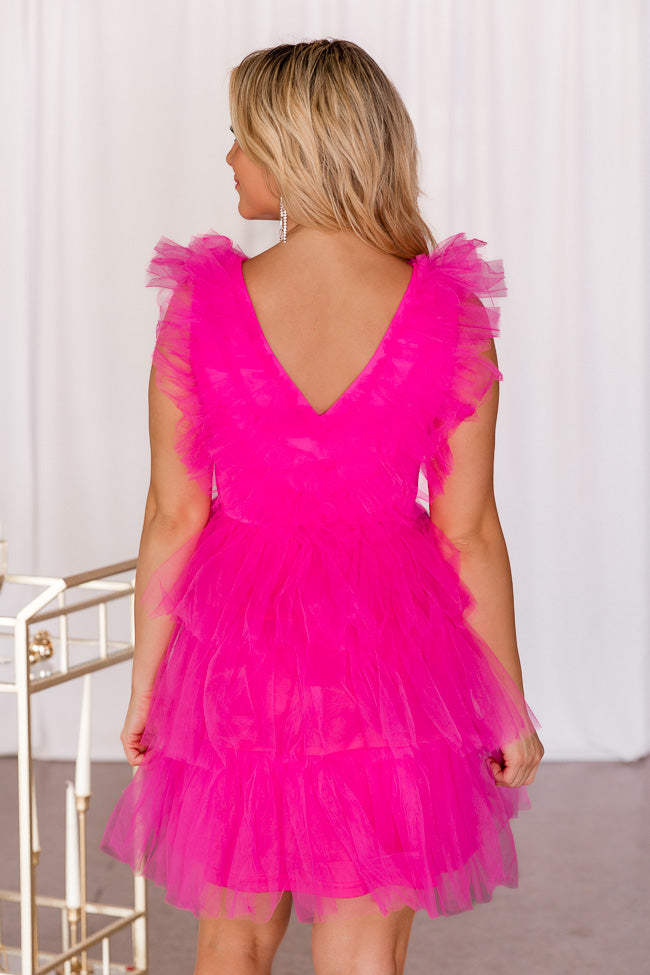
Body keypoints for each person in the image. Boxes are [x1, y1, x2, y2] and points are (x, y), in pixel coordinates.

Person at [101, 38, 543, 975]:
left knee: (234, 934)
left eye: (241, 137)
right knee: (364, 938)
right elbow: (466, 529)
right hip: (391, 654)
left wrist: (147, 684)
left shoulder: (202, 308)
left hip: (239, 652)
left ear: (293, 149)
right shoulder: (449, 314)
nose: (229, 158)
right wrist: (505, 701)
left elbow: (174, 515)